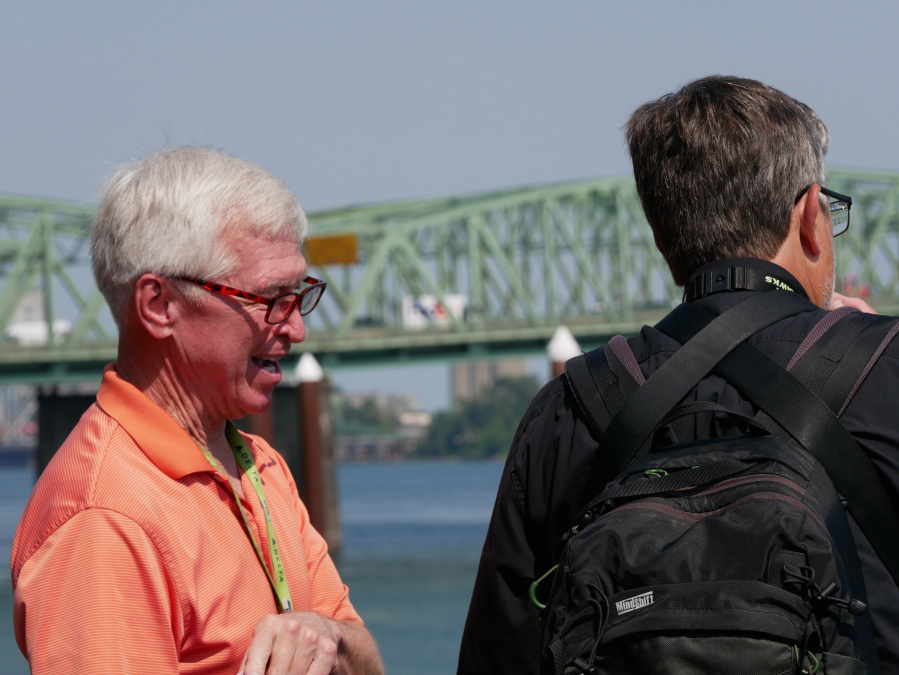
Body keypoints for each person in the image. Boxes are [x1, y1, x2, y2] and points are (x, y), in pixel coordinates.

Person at [457, 75, 899, 674]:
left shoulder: (568, 409)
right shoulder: (885, 369)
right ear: (810, 218)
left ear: (662, 235)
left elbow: (499, 654)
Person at [11, 146, 383, 675]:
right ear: (159, 305)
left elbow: (367, 661)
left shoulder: (259, 465)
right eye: (268, 299)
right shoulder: (104, 521)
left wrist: (329, 638)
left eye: (299, 295)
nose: (296, 328)